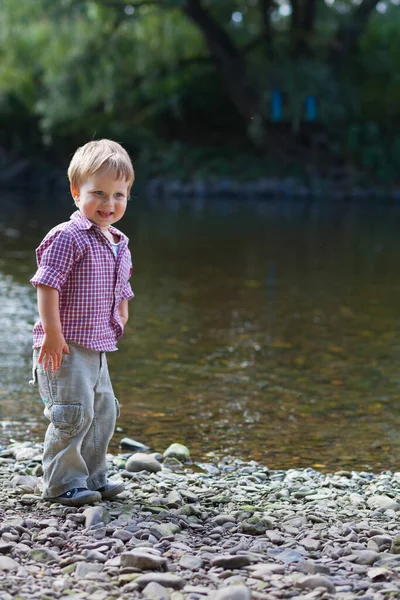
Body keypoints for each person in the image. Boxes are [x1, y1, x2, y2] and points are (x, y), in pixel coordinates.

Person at [30, 139, 135, 506]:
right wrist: (52, 334)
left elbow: (121, 284)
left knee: (103, 412)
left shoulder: (118, 241)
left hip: (99, 344)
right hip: (66, 345)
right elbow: (47, 284)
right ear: (77, 193)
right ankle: (62, 483)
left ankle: (93, 475)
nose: (108, 204)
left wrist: (122, 308)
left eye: (118, 195)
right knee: (72, 414)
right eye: (99, 194)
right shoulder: (67, 236)